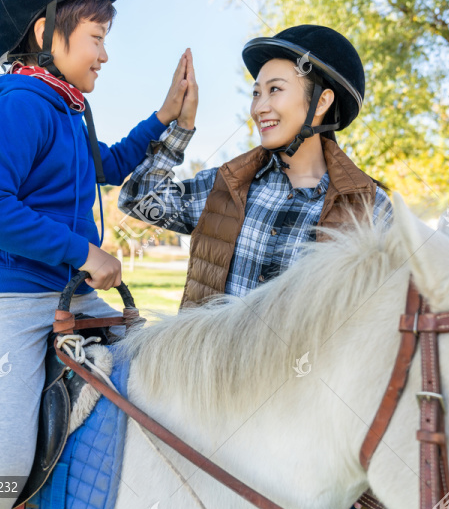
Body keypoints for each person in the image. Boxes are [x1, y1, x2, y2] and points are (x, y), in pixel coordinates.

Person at [0, 0, 190, 509]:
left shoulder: (63, 110)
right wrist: (83, 252)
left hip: (65, 297)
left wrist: (165, 115)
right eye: (97, 38)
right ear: (47, 31)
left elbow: (110, 162)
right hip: (2, 299)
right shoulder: (20, 105)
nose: (104, 55)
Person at [119, 24, 394, 310]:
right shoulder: (226, 185)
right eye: (255, 93)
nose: (258, 108)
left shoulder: (372, 210)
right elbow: (139, 199)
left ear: (321, 101)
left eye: (275, 89)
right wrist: (182, 127)